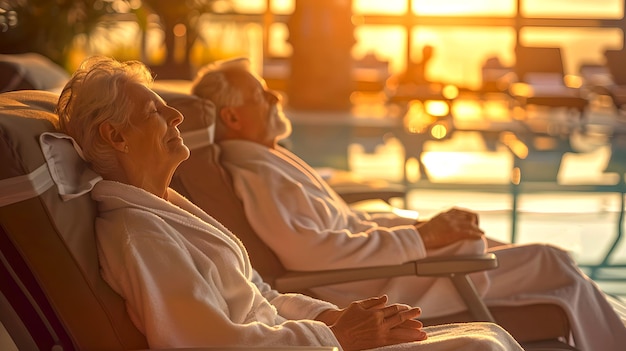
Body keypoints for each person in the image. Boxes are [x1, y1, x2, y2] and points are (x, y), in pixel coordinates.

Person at [54, 55, 524, 351]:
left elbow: (262, 294)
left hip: (299, 338)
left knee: (487, 336)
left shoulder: (167, 209)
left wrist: (328, 316)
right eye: (154, 110)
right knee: (480, 345)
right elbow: (208, 342)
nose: (176, 114)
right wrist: (335, 336)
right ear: (115, 136)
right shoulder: (141, 236)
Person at [191, 57, 626, 351]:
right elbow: (312, 252)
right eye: (261, 95)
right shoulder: (256, 173)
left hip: (388, 270)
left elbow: (343, 225)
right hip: (383, 285)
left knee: (560, 273)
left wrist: (422, 229)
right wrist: (419, 237)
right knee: (553, 262)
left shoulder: (267, 159)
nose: (275, 99)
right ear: (232, 118)